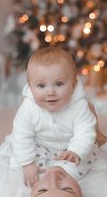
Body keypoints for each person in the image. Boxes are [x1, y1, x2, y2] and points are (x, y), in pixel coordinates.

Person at [10, 47, 97, 186]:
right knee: (18, 160)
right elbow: (21, 134)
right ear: (31, 87)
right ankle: (42, 176)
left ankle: (63, 179)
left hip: (71, 147)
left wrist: (75, 151)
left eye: (59, 84)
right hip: (42, 146)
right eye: (41, 85)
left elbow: (85, 131)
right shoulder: (28, 108)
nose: (50, 92)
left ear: (73, 85)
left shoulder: (80, 106)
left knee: (86, 158)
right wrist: (27, 164)